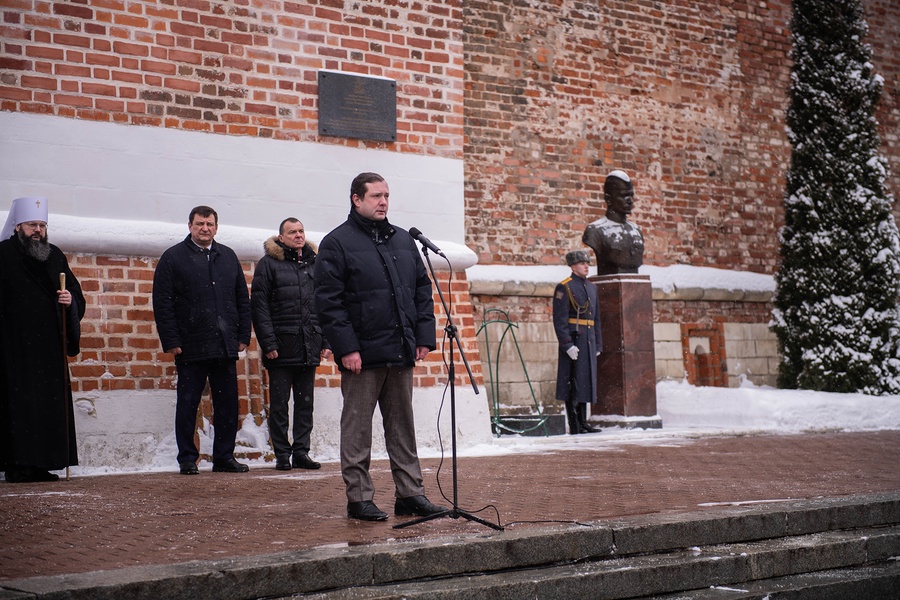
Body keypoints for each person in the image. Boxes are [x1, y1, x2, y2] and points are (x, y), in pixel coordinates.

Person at [314, 172, 446, 522]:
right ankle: (358, 497)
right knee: (356, 428)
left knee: (402, 426)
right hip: (361, 356)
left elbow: (421, 290)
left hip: (400, 349)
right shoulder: (337, 243)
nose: (383, 201)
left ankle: (411, 493)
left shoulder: (403, 241)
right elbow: (329, 302)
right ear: (356, 199)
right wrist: (346, 348)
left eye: (386, 195)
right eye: (375, 196)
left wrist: (422, 337)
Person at [152, 206, 252, 475]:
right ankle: (187, 457)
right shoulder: (173, 258)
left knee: (228, 404)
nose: (205, 228)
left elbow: (242, 298)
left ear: (216, 228)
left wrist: (243, 336)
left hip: (224, 344)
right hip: (191, 343)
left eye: (209, 224)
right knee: (188, 403)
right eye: (199, 224)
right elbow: (163, 303)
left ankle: (223, 456)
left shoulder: (228, 256)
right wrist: (171, 339)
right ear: (190, 226)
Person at [0, 197, 85, 483]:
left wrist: (69, 300)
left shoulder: (55, 254)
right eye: (32, 225)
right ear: (17, 226)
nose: (37, 230)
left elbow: (74, 291)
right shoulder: (3, 254)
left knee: (47, 405)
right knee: (19, 406)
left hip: (49, 345)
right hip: (14, 346)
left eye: (41, 225)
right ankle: (17, 464)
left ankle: (42, 463)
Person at [251, 218, 332, 471]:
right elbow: (260, 307)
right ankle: (282, 454)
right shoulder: (269, 265)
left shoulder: (315, 264)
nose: (298, 235)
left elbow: (326, 304)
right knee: (279, 405)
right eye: (292, 232)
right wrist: (269, 342)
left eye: (301, 231)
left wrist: (326, 340)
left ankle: (301, 452)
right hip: (281, 347)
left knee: (305, 403)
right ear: (281, 238)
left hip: (309, 344)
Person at [553, 249, 602, 435]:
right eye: (582, 263)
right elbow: (559, 319)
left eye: (587, 263)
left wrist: (598, 344)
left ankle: (583, 421)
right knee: (572, 383)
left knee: (586, 381)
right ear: (573, 267)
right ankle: (575, 424)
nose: (586, 266)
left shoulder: (591, 287)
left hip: (588, 340)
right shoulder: (564, 287)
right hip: (574, 339)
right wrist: (567, 344)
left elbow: (596, 319)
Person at [582, 170, 645, 276]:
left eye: (631, 195)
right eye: (624, 195)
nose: (630, 200)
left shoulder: (636, 230)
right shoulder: (596, 231)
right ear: (608, 199)